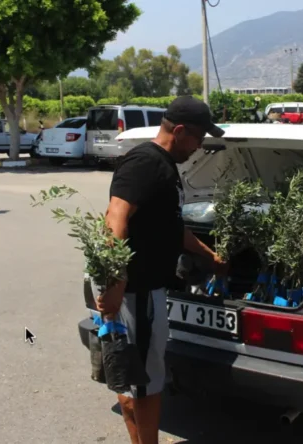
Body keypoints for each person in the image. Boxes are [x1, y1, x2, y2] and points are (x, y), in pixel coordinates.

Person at [99, 96, 228, 444]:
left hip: (141, 292)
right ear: (181, 130)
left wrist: (210, 256)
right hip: (136, 293)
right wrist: (116, 279)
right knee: (146, 383)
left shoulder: (164, 166)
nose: (200, 147)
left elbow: (171, 227)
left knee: (133, 378)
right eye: (199, 138)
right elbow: (115, 217)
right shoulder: (146, 163)